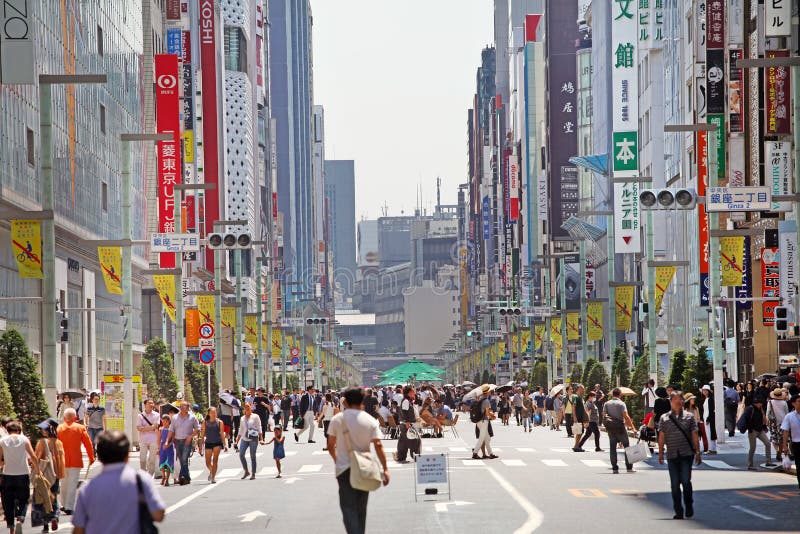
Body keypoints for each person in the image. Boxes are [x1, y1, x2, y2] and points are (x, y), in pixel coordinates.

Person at [71, 431, 165, 534]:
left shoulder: (88, 488)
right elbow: (158, 514)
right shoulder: (141, 480)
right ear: (127, 456)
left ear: (100, 458)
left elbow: (79, 529)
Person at [327, 387, 390, 534]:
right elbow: (378, 445)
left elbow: (330, 445)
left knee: (348, 508)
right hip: (364, 468)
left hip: (344, 469)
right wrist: (385, 469)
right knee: (361, 508)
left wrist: (337, 460)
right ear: (362, 401)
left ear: (346, 402)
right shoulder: (369, 420)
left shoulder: (338, 419)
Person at [658, 391, 701, 520]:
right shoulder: (664, 418)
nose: (679, 402)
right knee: (674, 484)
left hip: (686, 454)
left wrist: (697, 452)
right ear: (671, 402)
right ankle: (678, 510)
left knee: (686, 481)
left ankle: (689, 504)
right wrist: (660, 453)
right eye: (676, 399)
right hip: (671, 455)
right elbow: (661, 436)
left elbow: (694, 435)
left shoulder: (689, 417)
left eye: (681, 400)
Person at [0, 420, 40, 534]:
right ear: (18, 430)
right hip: (23, 474)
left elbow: (0, 460)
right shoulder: (24, 439)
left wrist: (4, 464)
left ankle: (11, 526)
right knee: (24, 499)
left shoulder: (2, 441)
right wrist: (38, 470)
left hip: (8, 474)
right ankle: (21, 518)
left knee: (8, 501)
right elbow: (33, 456)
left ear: (7, 431)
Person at [56, 408, 94, 515]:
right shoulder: (80, 428)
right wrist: (91, 457)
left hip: (62, 460)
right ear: (75, 417)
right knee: (72, 484)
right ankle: (69, 506)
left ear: (64, 417)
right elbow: (88, 443)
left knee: (63, 483)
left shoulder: (59, 428)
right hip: (76, 460)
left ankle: (63, 504)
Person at [33, 419, 65, 534]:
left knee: (43, 498)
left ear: (46, 431)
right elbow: (62, 461)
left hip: (44, 475)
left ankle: (45, 524)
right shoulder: (59, 442)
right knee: (54, 497)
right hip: (55, 475)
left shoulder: (42, 442)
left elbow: (36, 457)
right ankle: (54, 517)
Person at [164, 401, 200, 485]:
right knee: (182, 460)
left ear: (188, 408)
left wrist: (190, 437)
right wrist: (166, 441)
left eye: (184, 406)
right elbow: (171, 430)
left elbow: (198, 428)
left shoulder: (192, 417)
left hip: (187, 441)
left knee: (184, 458)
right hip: (177, 441)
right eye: (181, 406)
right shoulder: (175, 418)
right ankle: (187, 477)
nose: (182, 408)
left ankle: (181, 477)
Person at [602, 388, 636, 473]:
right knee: (627, 447)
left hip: (611, 428)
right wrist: (632, 427)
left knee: (612, 447)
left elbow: (604, 415)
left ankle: (614, 467)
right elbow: (626, 416)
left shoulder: (607, 403)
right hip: (620, 428)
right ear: (620, 395)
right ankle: (629, 467)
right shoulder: (621, 403)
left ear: (613, 394)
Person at [742, 396, 775, 470]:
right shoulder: (750, 409)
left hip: (760, 430)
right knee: (753, 447)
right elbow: (746, 419)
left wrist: (764, 427)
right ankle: (750, 464)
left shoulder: (760, 409)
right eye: (760, 403)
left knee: (767, 443)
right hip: (752, 430)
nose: (761, 404)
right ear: (757, 403)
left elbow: (762, 419)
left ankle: (768, 461)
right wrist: (749, 428)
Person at [236, 402, 264, 480]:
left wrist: (261, 439)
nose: (247, 408)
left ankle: (253, 473)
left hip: (253, 438)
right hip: (244, 439)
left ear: (250, 407)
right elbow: (240, 430)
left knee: (252, 456)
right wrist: (236, 440)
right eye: (245, 407)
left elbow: (259, 427)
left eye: (248, 406)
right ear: (244, 409)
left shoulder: (255, 416)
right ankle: (246, 471)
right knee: (241, 455)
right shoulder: (242, 418)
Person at [200, 407, 227, 483]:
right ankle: (212, 471)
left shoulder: (220, 422)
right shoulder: (205, 423)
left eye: (215, 412)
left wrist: (225, 445)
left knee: (215, 460)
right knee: (207, 462)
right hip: (208, 442)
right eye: (212, 412)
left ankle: (213, 477)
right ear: (208, 413)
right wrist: (200, 446)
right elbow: (202, 435)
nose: (214, 414)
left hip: (217, 443)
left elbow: (222, 434)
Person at [472, 385, 497, 460]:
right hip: (483, 421)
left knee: (487, 438)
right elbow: (487, 413)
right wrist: (493, 416)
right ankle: (475, 453)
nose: (490, 392)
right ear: (488, 392)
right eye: (489, 391)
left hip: (479, 421)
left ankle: (491, 454)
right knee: (482, 438)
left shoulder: (481, 399)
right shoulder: (486, 401)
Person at [780, 394, 800, 490]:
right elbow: (785, 432)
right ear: (793, 403)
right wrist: (784, 446)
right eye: (799, 401)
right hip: (796, 444)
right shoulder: (789, 416)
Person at [136, 399, 160, 476]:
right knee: (142, 458)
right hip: (143, 440)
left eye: (152, 403)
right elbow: (139, 428)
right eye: (149, 403)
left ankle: (150, 475)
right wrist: (150, 428)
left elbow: (155, 426)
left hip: (154, 439)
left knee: (152, 459)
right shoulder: (140, 416)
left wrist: (144, 429)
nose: (151, 405)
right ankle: (143, 474)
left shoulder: (157, 415)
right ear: (145, 405)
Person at [395, 386, 418, 463]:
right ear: (409, 393)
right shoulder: (406, 401)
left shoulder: (408, 400)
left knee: (403, 441)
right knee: (415, 440)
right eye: (412, 391)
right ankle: (415, 456)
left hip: (405, 423)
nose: (414, 392)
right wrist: (407, 422)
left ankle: (401, 457)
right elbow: (404, 412)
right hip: (406, 424)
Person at [766, 388, 789, 463]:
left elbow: (768, 413)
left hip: (774, 423)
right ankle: (780, 450)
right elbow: (787, 413)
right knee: (782, 439)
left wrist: (767, 421)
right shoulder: (784, 402)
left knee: (774, 438)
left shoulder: (770, 402)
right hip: (783, 422)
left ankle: (777, 450)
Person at [570, 384, 588, 451]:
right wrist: (574, 417)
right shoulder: (575, 396)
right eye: (582, 389)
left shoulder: (581, 397)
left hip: (580, 417)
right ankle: (576, 446)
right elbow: (573, 406)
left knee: (580, 431)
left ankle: (576, 446)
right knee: (579, 432)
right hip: (577, 417)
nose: (584, 390)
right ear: (579, 389)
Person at [700, 385, 717, 454]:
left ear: (709, 391)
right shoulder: (706, 399)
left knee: (710, 433)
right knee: (708, 433)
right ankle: (711, 449)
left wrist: (708, 419)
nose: (704, 392)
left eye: (706, 390)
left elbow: (711, 410)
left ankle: (712, 449)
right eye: (703, 390)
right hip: (706, 418)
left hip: (709, 419)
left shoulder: (710, 399)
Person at [158, 415, 174, 486]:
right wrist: (158, 448)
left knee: (168, 463)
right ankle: (163, 476)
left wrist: (168, 445)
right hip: (162, 447)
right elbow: (159, 439)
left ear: (169, 421)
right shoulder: (161, 429)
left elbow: (173, 440)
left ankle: (167, 479)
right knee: (161, 463)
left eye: (166, 421)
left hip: (169, 448)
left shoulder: (172, 429)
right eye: (163, 421)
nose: (164, 423)